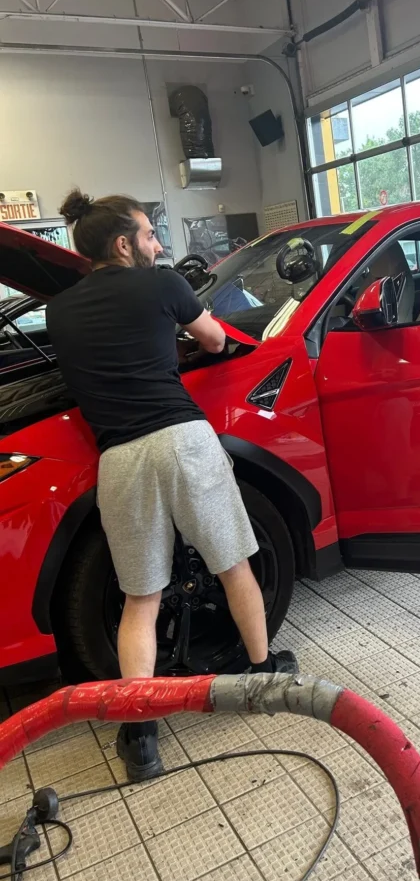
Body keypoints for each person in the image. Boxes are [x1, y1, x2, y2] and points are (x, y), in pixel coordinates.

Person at [46, 189, 298, 781]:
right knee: (234, 562)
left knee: (142, 595)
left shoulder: (60, 311)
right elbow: (214, 341)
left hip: (120, 461)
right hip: (183, 442)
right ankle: (262, 670)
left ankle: (141, 736)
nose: (158, 243)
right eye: (150, 233)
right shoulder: (161, 285)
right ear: (123, 243)